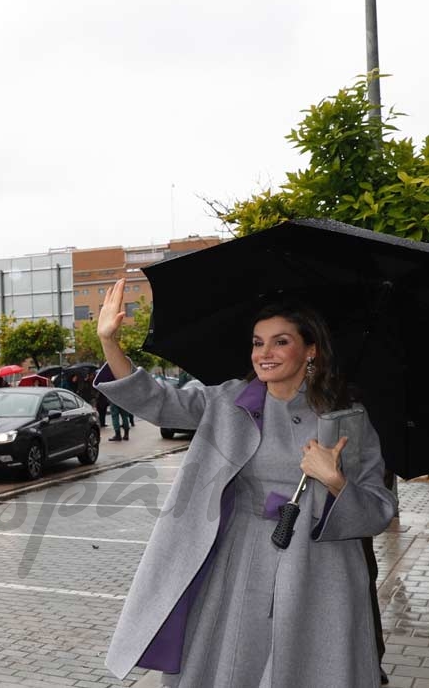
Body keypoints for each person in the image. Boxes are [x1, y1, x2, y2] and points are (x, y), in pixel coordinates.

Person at [95, 278, 396, 686]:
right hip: (242, 558)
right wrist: (111, 343)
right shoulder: (229, 402)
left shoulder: (347, 418)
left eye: (280, 342)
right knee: (236, 660)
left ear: (311, 350)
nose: (264, 353)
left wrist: (336, 480)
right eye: (258, 343)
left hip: (321, 568)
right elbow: (160, 401)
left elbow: (379, 509)